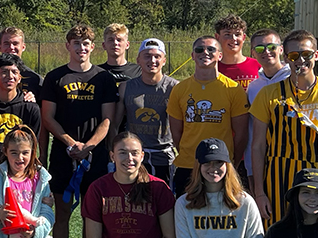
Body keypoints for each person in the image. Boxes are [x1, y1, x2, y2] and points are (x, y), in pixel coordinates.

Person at [41, 24, 118, 238]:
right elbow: (47, 117)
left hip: (93, 159)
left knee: (92, 216)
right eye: (76, 43)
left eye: (86, 43)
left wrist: (89, 146)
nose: (81, 48)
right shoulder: (55, 77)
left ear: (93, 47)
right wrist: (71, 143)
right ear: (68, 46)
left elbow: (108, 118)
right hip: (63, 155)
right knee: (61, 214)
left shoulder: (104, 78)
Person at [251, 29, 318, 225]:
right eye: (293, 55)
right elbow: (257, 146)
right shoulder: (268, 94)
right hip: (278, 177)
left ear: (316, 55)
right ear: (286, 57)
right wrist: (259, 192)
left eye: (306, 54)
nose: (300, 60)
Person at [167, 36, 248, 198]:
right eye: (199, 50)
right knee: (188, 215)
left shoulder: (233, 89)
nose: (205, 53)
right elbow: (176, 133)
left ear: (220, 55)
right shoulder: (179, 89)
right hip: (188, 165)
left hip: (221, 165)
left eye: (211, 49)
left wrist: (231, 161)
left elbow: (241, 134)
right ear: (192, 55)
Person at [114, 39, 177, 183]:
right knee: (135, 202)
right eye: (147, 56)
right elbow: (115, 125)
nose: (152, 60)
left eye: (157, 56)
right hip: (133, 157)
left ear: (164, 60)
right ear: (138, 60)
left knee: (164, 201)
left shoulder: (174, 88)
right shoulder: (126, 87)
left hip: (163, 156)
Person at [244, 29, 290, 191]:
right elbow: (252, 132)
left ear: (281, 49)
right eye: (259, 48)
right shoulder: (253, 87)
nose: (266, 51)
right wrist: (250, 168)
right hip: (262, 162)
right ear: (252, 53)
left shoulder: (294, 80)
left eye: (271, 46)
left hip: (293, 160)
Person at [0, 26, 42, 101]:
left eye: (15, 43)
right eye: (6, 43)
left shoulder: (35, 79)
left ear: (23, 47)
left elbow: (42, 110)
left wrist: (33, 102)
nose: (11, 47)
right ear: (0, 47)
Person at [215, 14, 260, 92]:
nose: (233, 39)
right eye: (227, 34)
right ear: (217, 37)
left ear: (243, 37)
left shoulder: (259, 66)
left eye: (237, 34)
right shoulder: (213, 69)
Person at [98, 23, 141, 88]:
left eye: (119, 40)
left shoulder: (139, 71)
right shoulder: (97, 72)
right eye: (111, 40)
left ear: (127, 45)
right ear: (104, 45)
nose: (115, 43)